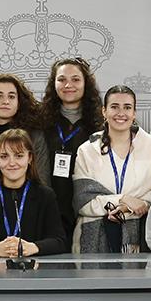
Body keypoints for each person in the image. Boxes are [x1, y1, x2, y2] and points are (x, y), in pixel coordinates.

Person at [71, 85, 151, 253]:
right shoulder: (87, 150)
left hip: (138, 238)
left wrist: (138, 204)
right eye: (114, 107)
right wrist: (124, 199)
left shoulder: (149, 144)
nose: (121, 113)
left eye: (127, 107)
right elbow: (83, 201)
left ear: (134, 113)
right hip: (93, 238)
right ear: (104, 111)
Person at [0, 129, 66, 257]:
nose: (12, 163)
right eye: (4, 156)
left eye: (19, 156)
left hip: (34, 273)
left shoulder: (45, 195)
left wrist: (33, 247)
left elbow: (60, 241)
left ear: (30, 158)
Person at [40, 57, 103, 245]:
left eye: (76, 79)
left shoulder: (101, 123)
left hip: (89, 208)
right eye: (61, 79)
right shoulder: (40, 121)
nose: (68, 85)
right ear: (53, 84)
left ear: (86, 83)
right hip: (49, 207)